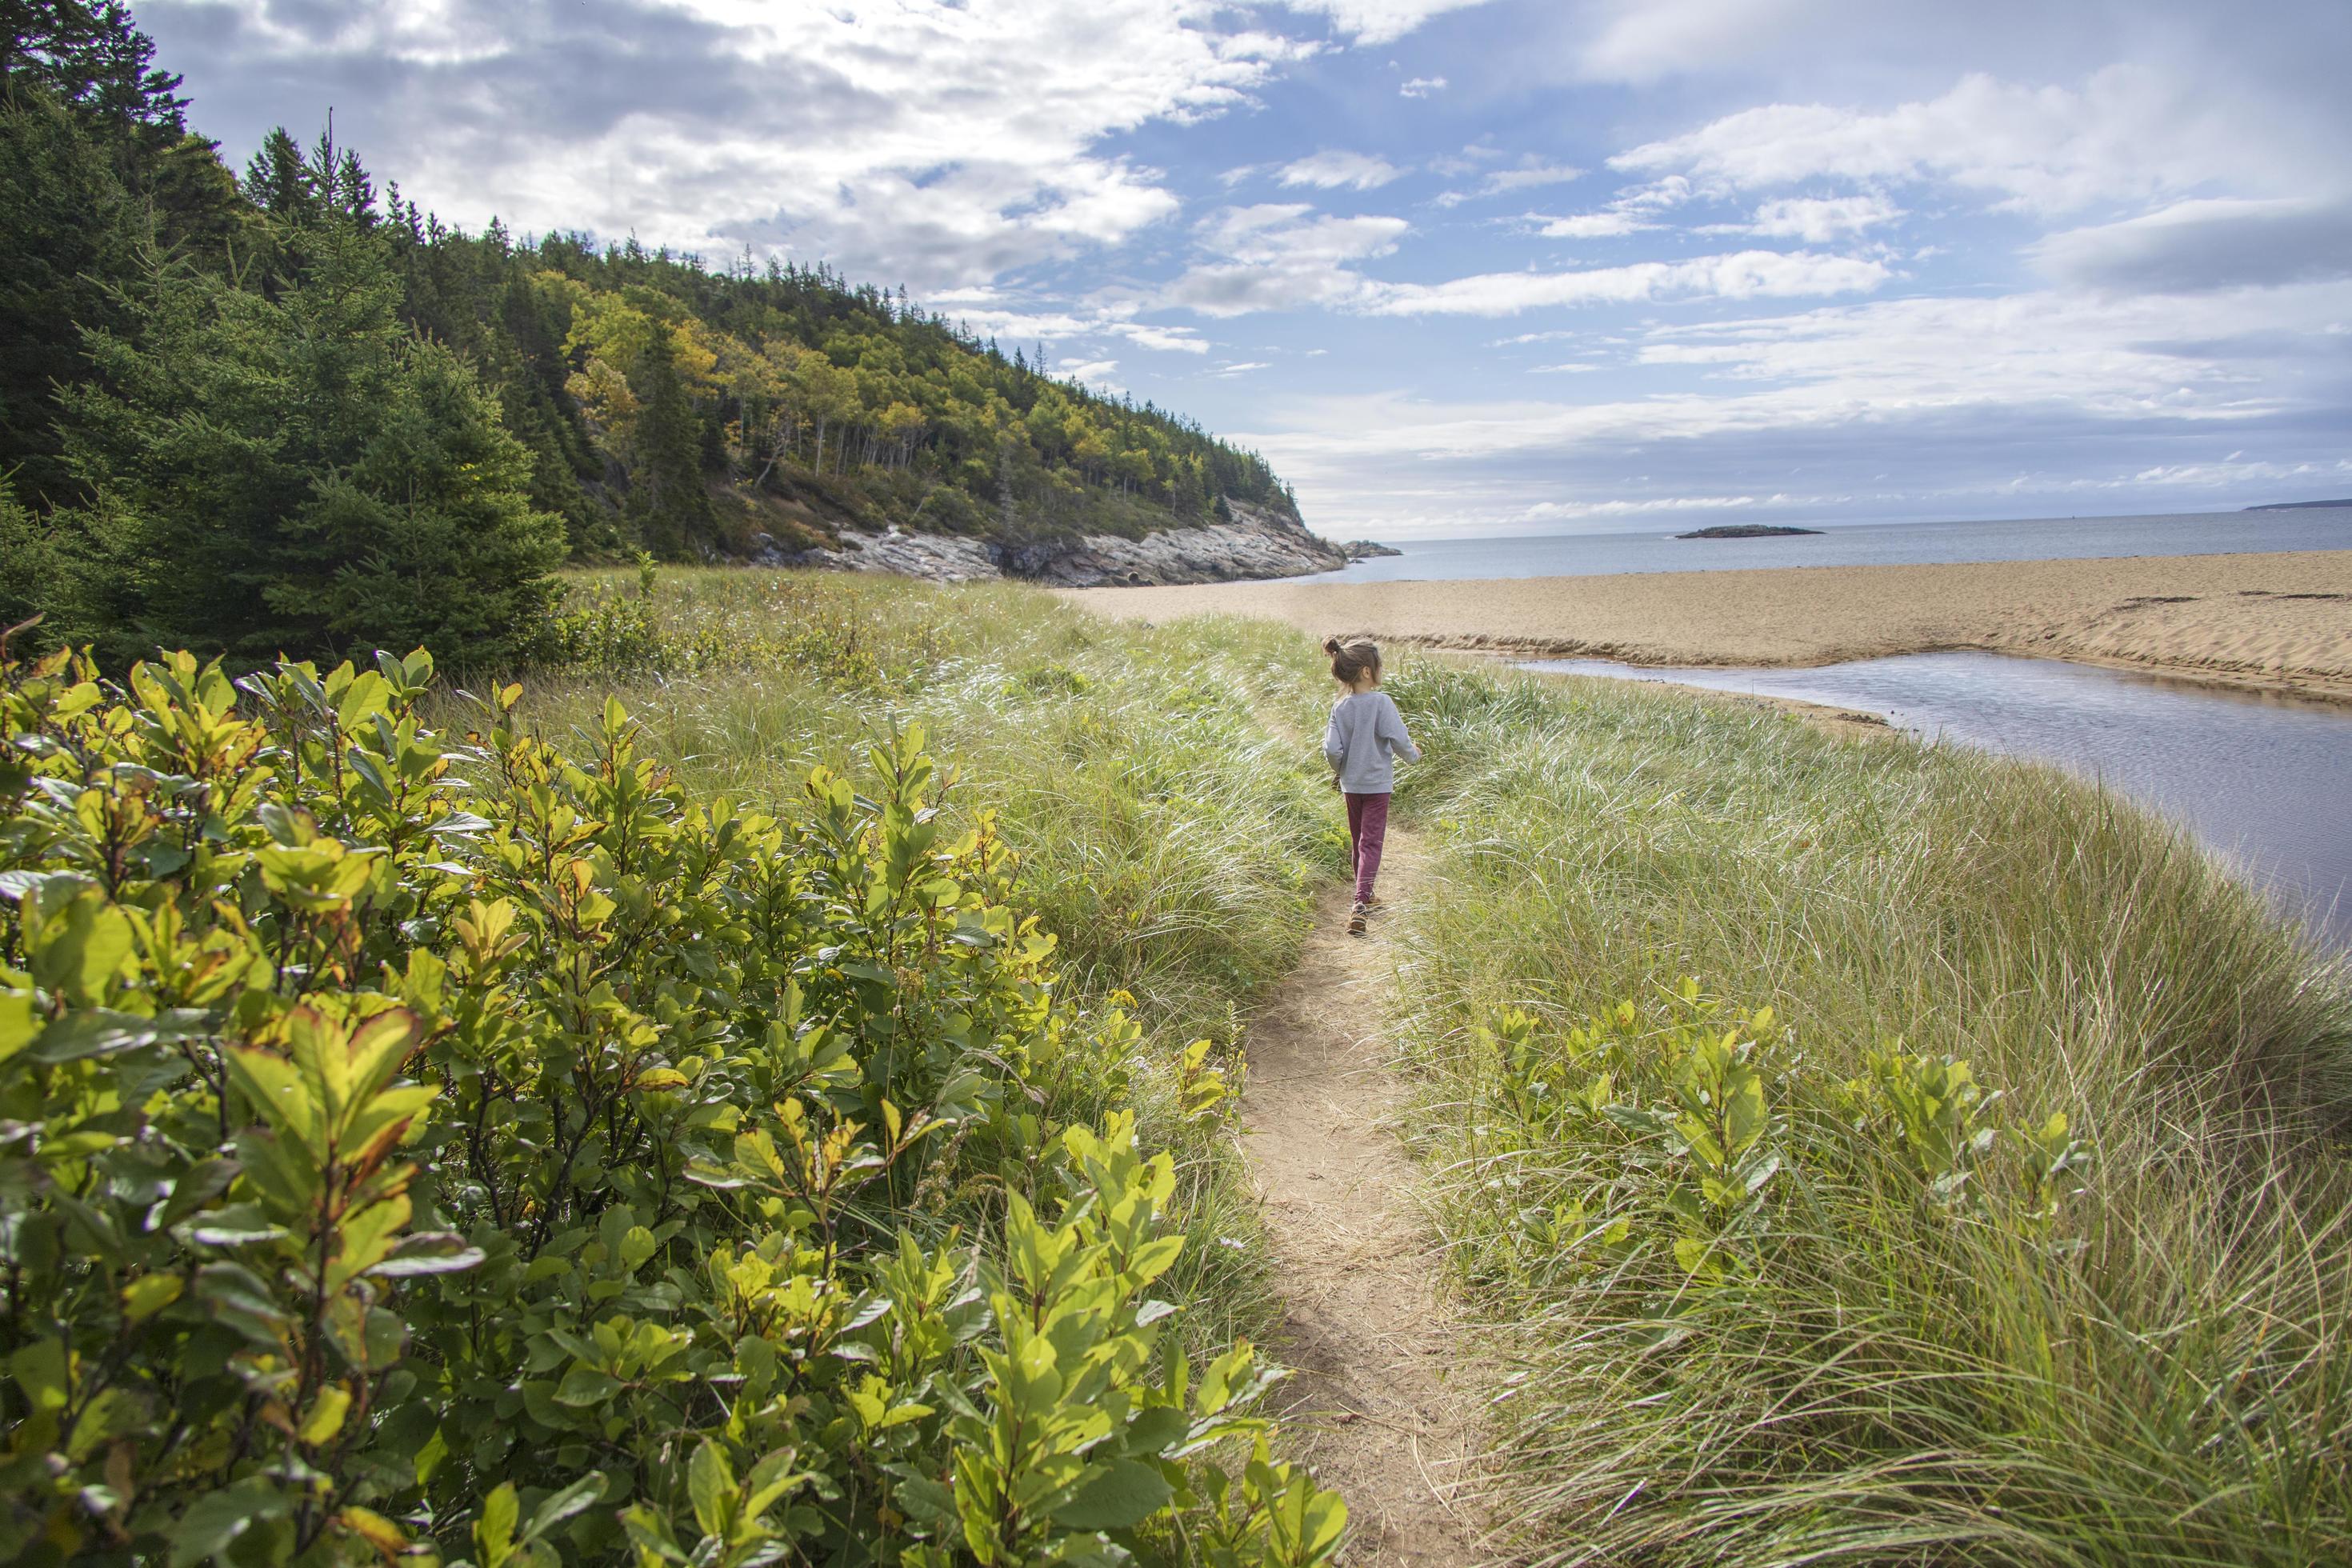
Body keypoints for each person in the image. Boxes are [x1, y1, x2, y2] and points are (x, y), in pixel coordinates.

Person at [1322, 636, 1420, 936]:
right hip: (1377, 784)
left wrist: (1342, 771)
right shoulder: (1381, 702)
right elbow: (1399, 739)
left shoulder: (1340, 707)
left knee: (1358, 840)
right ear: (1367, 671)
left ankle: (1366, 893)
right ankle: (1360, 902)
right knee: (1371, 842)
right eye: (1379, 665)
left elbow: (1330, 749)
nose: (1382, 670)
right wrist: (1414, 755)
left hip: (1352, 784)